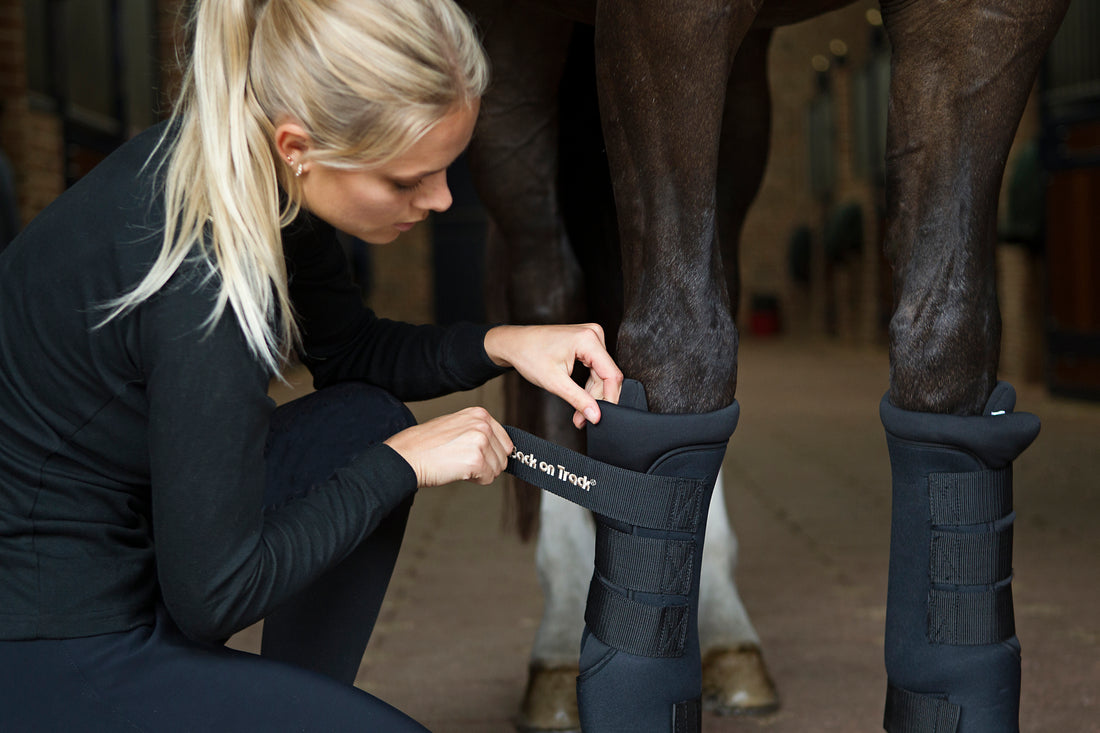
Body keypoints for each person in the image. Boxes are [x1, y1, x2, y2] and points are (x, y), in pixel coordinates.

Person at [0, 0, 622, 730]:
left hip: (139, 560)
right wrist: (404, 463)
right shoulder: (204, 276)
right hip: (52, 638)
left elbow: (352, 354)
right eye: (406, 180)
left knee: (362, 420)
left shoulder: (255, 174)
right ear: (299, 145)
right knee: (380, 448)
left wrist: (508, 344)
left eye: (448, 170)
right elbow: (216, 592)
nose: (442, 199)